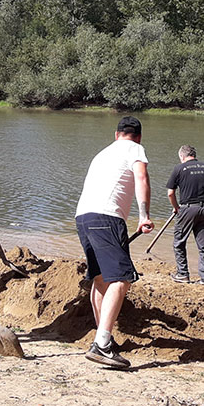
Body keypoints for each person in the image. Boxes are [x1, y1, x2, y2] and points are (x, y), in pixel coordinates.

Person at [75, 116, 154, 369]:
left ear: (116, 134)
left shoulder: (103, 153)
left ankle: (102, 337)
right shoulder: (135, 148)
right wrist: (143, 216)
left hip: (83, 217)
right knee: (122, 278)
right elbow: (141, 177)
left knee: (101, 279)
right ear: (138, 136)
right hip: (107, 217)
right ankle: (102, 345)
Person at [166, 145, 204, 284]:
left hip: (187, 208)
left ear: (182, 156)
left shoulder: (178, 169)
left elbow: (170, 193)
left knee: (179, 242)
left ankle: (183, 274)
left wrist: (176, 208)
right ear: (194, 155)